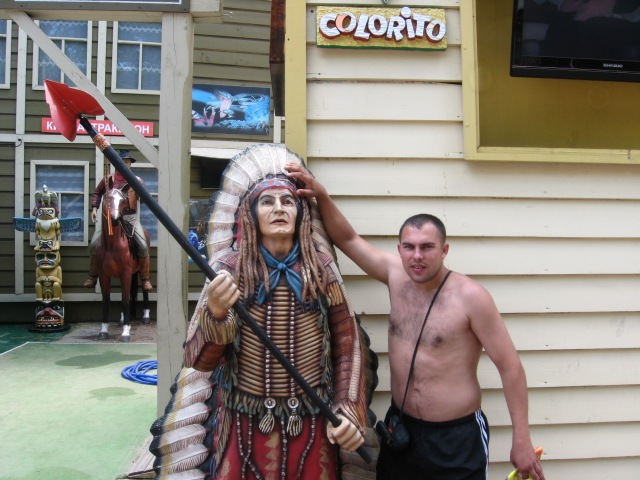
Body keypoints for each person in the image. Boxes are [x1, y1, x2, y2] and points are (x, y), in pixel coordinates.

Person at [285, 163, 545, 480]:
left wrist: (521, 438)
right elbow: (348, 239)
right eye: (409, 247)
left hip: (455, 439)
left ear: (444, 250)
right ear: (400, 249)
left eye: (427, 247)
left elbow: (510, 367)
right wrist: (322, 196)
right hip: (402, 432)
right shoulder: (396, 275)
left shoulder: (471, 297)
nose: (417, 256)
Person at [150, 145, 376, 480]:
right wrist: (216, 315)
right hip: (244, 423)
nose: (279, 209)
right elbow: (199, 361)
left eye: (288, 201)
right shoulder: (230, 270)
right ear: (250, 214)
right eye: (267, 202)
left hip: (312, 422)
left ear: (301, 212)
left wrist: (347, 409)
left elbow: (348, 344)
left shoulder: (321, 271)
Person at [83, 150, 152, 291]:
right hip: (110, 219)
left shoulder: (137, 181)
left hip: (130, 218)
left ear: (130, 164)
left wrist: (142, 193)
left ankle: (145, 278)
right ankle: (93, 275)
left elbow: (145, 199)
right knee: (94, 244)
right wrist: (95, 208)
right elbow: (97, 193)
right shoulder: (108, 180)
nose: (125, 164)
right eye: (122, 162)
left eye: (127, 162)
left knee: (143, 245)